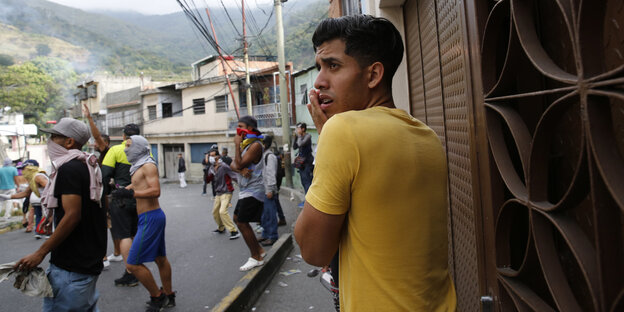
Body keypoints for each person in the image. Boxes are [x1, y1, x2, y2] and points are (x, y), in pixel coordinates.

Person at [294, 15, 456, 311]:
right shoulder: (427, 136)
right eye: (319, 67)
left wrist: (328, 134)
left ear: (373, 75)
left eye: (333, 66)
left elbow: (313, 249)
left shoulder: (343, 132)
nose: (318, 82)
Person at [14, 117, 107, 311]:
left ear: (69, 142)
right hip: (88, 262)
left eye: (54, 137)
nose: (49, 142)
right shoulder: (91, 166)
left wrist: (40, 253)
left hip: (71, 267)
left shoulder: (69, 168)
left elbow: (73, 215)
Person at [111, 135, 175, 312]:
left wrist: (131, 195)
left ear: (138, 147)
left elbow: (156, 191)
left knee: (132, 264)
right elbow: (137, 185)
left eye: (129, 145)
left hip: (151, 217)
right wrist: (124, 190)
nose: (125, 149)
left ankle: (158, 297)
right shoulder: (138, 166)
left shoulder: (148, 165)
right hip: (147, 218)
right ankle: (169, 295)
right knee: (160, 259)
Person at [102, 123, 141, 287]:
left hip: (120, 198)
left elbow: (105, 175)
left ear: (124, 136)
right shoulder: (145, 150)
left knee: (124, 235)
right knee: (134, 234)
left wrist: (103, 197)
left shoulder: (116, 150)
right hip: (140, 199)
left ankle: (131, 272)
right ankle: (138, 269)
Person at [84, 102, 119, 268]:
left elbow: (97, 137)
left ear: (105, 143)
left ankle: (104, 258)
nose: (95, 144)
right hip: (107, 194)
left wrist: (90, 118)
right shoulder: (100, 157)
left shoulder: (106, 152)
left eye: (98, 143)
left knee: (103, 225)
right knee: (111, 226)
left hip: (106, 195)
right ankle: (117, 253)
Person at [230, 116, 266, 271]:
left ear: (249, 128)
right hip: (245, 190)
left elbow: (237, 163)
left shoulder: (255, 146)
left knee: (242, 222)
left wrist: (237, 146)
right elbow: (233, 164)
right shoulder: (246, 146)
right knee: (237, 218)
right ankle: (259, 250)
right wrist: (240, 168)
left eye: (240, 126)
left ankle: (256, 257)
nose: (238, 130)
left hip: (254, 190)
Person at [205, 148, 239, 239]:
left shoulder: (223, 166)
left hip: (227, 191)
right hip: (218, 193)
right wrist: (207, 170)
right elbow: (208, 180)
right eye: (210, 156)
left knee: (222, 211)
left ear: (218, 156)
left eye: (213, 155)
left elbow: (234, 175)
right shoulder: (211, 168)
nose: (211, 157)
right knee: (215, 212)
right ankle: (221, 228)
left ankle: (234, 231)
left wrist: (242, 184)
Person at [11, 160, 48, 239]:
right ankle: (40, 231)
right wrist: (8, 197)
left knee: (41, 215)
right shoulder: (33, 178)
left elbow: (49, 188)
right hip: (41, 201)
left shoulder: (38, 177)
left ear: (30, 168)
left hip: (46, 203)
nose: (22, 171)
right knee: (39, 215)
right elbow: (25, 193)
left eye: (23, 169)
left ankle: (42, 231)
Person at [258, 135, 279, 246]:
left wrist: (270, 189)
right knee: (264, 214)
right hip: (263, 190)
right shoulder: (263, 155)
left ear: (265, 144)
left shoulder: (269, 157)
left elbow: (271, 174)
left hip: (268, 190)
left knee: (270, 214)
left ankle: (272, 236)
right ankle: (265, 234)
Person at [293, 122, 314, 198]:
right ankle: (307, 199)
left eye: (298, 128)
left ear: (303, 129)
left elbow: (300, 144)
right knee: (303, 181)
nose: (297, 130)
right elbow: (295, 147)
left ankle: (309, 200)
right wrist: (295, 137)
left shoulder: (308, 136)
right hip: (301, 163)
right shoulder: (299, 137)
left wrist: (298, 136)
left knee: (307, 181)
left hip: (308, 162)